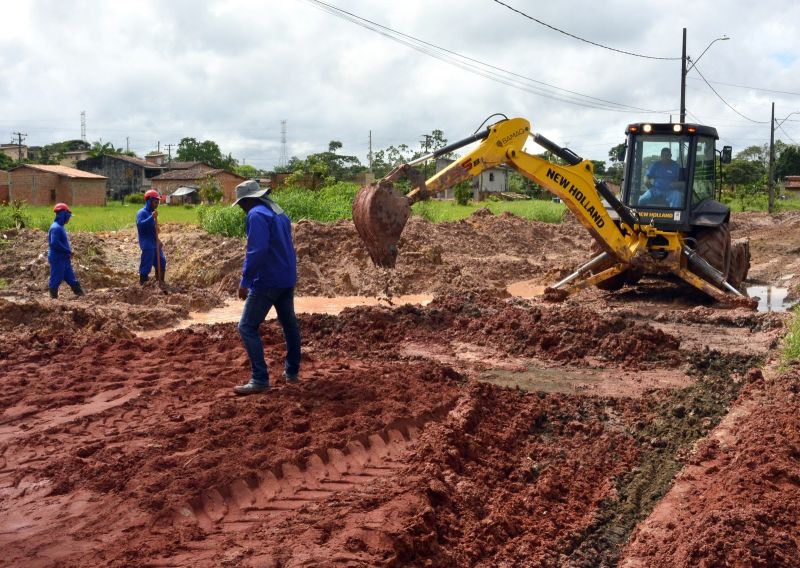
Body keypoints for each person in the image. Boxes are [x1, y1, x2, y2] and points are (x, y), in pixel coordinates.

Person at [231, 179, 301, 395]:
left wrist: (245, 281)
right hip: (286, 276)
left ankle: (260, 379)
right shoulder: (277, 211)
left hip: (267, 279)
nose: (242, 208)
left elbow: (256, 251)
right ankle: (292, 373)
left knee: (247, 327)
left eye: (242, 204)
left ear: (248, 200)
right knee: (289, 324)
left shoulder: (256, 214)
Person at [47, 203, 84, 299]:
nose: (69, 219)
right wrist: (68, 250)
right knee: (56, 278)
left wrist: (67, 252)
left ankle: (81, 295)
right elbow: (54, 243)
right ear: (63, 215)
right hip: (58, 258)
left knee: (71, 278)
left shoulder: (60, 227)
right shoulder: (56, 228)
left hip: (64, 258)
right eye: (68, 217)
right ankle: (53, 299)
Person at [136, 189, 166, 286]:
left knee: (162, 262)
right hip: (146, 242)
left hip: (154, 241)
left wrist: (158, 240)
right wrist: (151, 218)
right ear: (149, 201)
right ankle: (143, 282)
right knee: (147, 263)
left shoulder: (152, 213)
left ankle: (160, 282)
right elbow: (140, 225)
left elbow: (153, 230)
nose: (157, 204)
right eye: (155, 202)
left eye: (158, 203)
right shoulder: (142, 212)